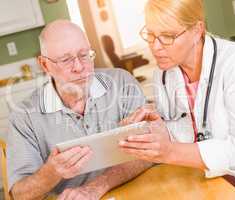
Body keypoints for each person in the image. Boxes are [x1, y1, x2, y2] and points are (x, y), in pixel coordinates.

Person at [119, 0, 235, 198]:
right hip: (201, 181)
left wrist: (169, 151)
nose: (155, 47)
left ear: (197, 30)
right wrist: (154, 129)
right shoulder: (163, 75)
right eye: (151, 35)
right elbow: (185, 129)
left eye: (167, 36)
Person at [7, 20, 152, 200]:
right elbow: (18, 195)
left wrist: (97, 187)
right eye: (66, 60)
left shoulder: (122, 82)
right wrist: (51, 172)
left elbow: (150, 153)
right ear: (44, 65)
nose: (79, 67)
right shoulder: (24, 117)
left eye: (84, 55)